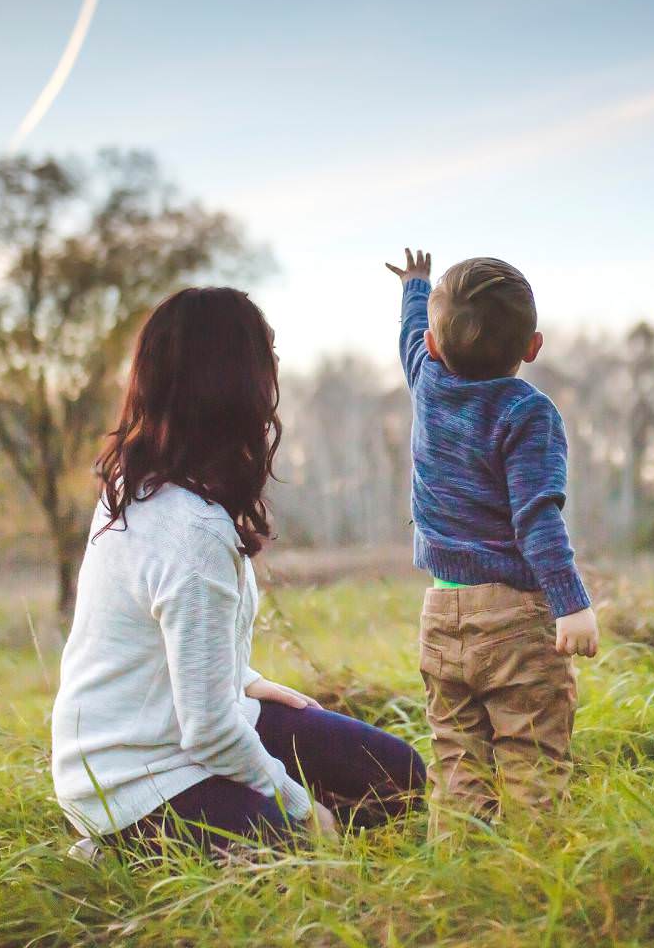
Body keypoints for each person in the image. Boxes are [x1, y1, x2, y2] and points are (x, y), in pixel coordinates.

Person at [50, 286, 425, 857]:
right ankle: (117, 849)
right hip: (132, 778)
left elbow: (164, 645)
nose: (275, 373)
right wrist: (301, 809)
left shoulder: (148, 481)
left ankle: (236, 816)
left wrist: (243, 682)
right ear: (232, 383)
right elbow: (207, 729)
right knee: (295, 852)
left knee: (399, 776)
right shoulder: (186, 529)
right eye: (266, 357)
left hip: (193, 728)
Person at [385, 248, 600, 823]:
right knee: (532, 759)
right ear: (533, 348)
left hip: (442, 610)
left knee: (456, 762)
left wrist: (415, 286)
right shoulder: (528, 413)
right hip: (514, 620)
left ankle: (457, 886)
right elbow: (536, 516)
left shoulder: (427, 381)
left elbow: (411, 335)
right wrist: (571, 603)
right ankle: (534, 883)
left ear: (432, 346)